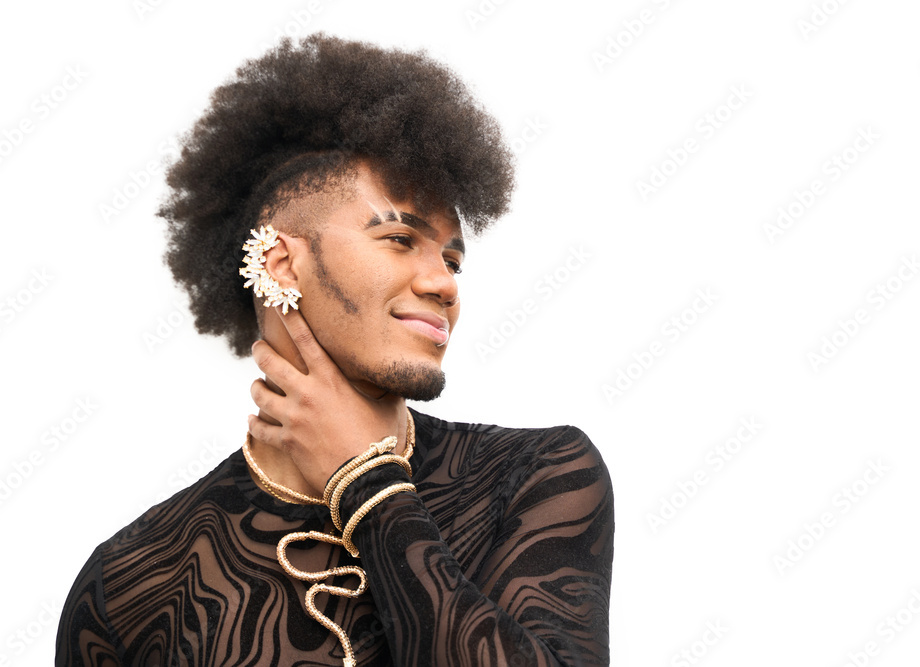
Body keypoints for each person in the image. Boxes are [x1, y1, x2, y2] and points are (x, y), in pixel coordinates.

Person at [56, 33, 614, 667]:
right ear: (280, 263)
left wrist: (368, 484)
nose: (445, 284)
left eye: (453, 259)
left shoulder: (535, 474)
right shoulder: (131, 582)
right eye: (400, 239)